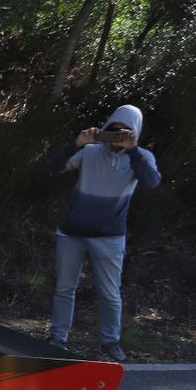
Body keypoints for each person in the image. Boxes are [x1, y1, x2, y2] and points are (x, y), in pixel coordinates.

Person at [46, 104, 161, 362]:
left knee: (109, 292)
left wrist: (133, 151)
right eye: (113, 130)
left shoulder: (142, 158)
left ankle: (110, 342)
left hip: (109, 237)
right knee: (65, 288)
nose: (117, 135)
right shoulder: (89, 151)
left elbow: (152, 182)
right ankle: (58, 338)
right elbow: (53, 169)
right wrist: (76, 144)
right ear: (106, 128)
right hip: (72, 232)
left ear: (135, 133)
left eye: (125, 131)